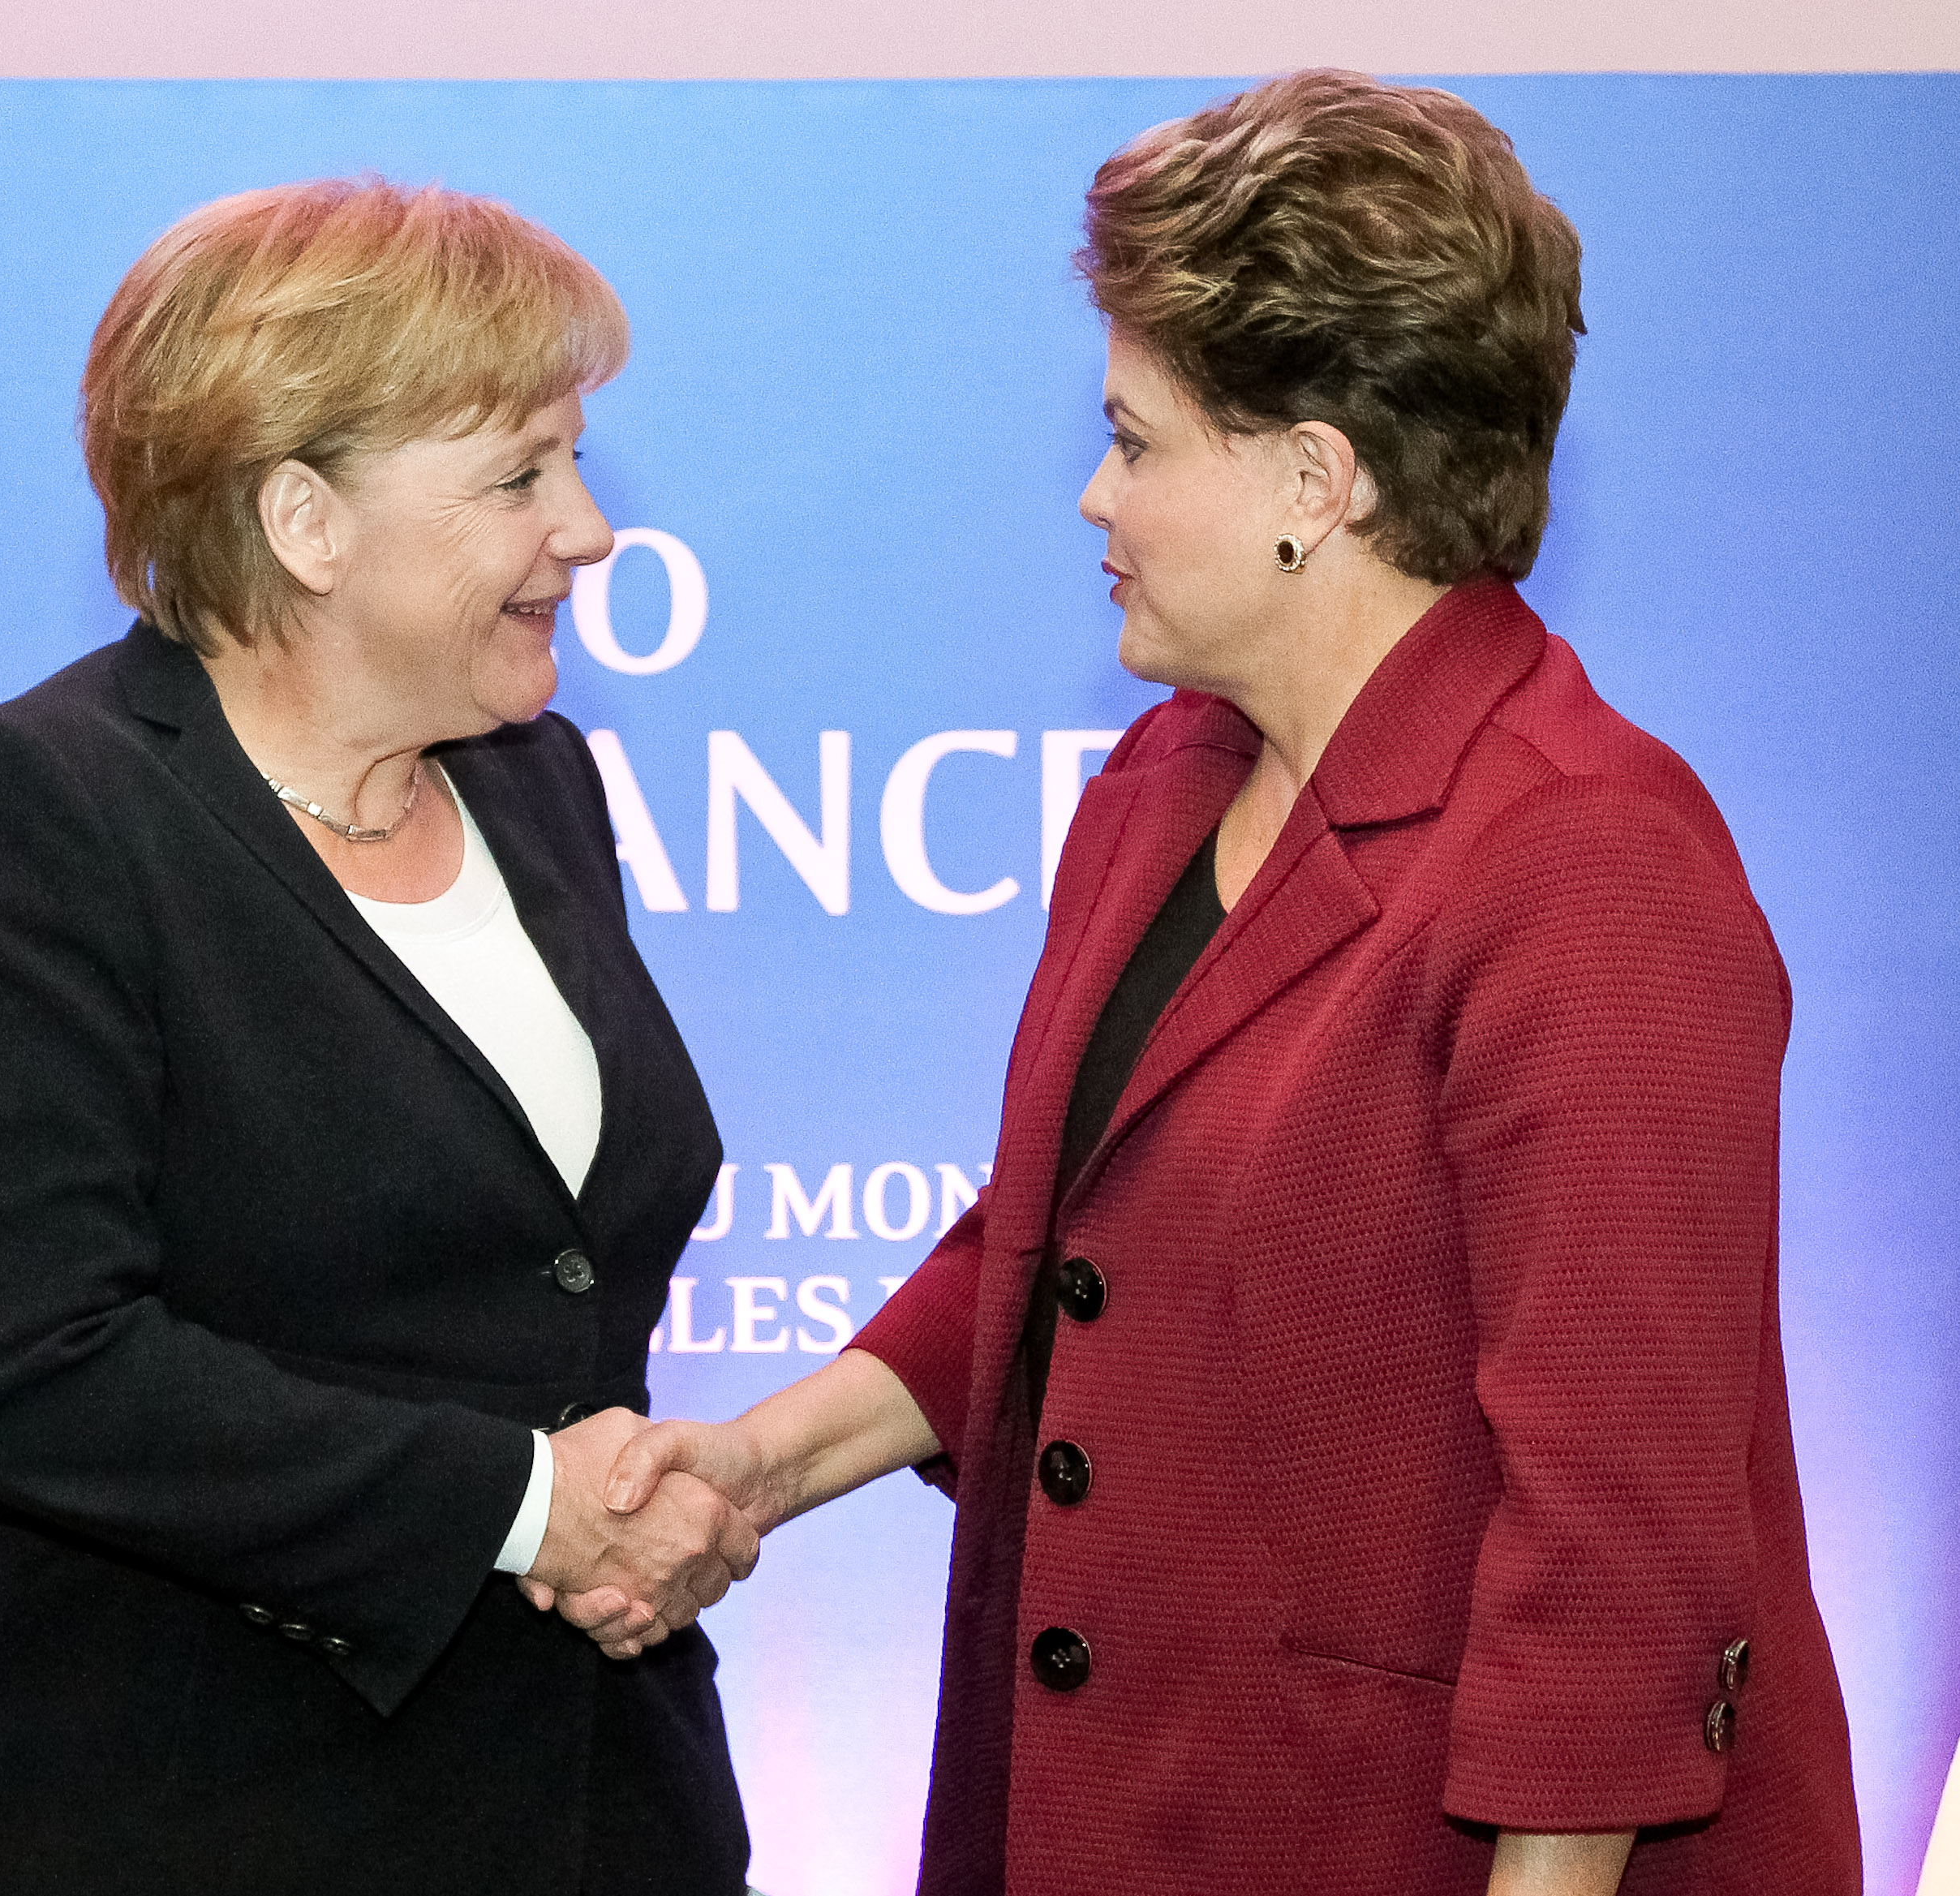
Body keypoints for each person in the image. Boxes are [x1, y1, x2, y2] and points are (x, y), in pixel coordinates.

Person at [555, 70, 1859, 1896]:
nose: (1094, 496)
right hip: (1120, 1806)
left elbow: (1622, 1547)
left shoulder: (1586, 864)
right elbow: (1064, 1241)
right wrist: (758, 1465)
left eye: (1137, 438)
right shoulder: (1171, 775)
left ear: (1313, 485)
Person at [0, 178, 758, 1895]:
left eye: (573, 462)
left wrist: (630, 1513)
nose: (585, 530)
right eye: (521, 475)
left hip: (583, 1787)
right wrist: (515, 1502)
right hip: (176, 1798)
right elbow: (29, 1359)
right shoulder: (39, 806)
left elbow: (548, 1288)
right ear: (302, 519)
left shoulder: (534, 782)